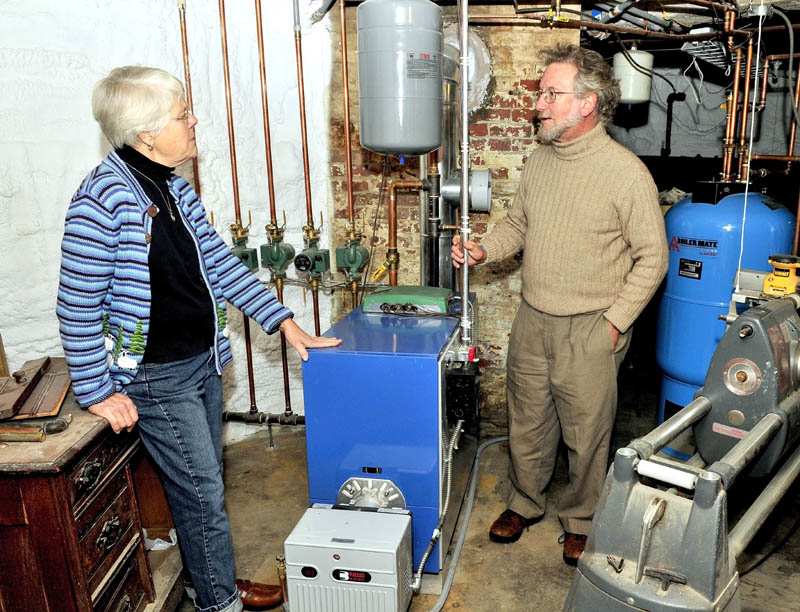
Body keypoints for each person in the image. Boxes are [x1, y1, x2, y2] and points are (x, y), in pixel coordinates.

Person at [56, 66, 340, 612]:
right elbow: (77, 304)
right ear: (145, 134)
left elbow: (219, 265)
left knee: (200, 489)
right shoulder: (101, 201)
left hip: (201, 363)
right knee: (203, 494)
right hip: (155, 377)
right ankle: (218, 602)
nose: (193, 122)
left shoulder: (173, 187)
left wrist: (284, 321)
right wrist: (95, 389)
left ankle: (205, 582)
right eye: (181, 115)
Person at [452, 43, 668, 565]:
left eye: (552, 94)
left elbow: (653, 259)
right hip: (533, 318)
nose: (539, 104)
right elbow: (519, 225)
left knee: (587, 432)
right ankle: (525, 503)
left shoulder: (625, 173)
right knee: (527, 421)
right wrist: (484, 249)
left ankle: (581, 519)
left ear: (588, 103)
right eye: (540, 93)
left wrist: (614, 324)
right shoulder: (540, 160)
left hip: (591, 325)